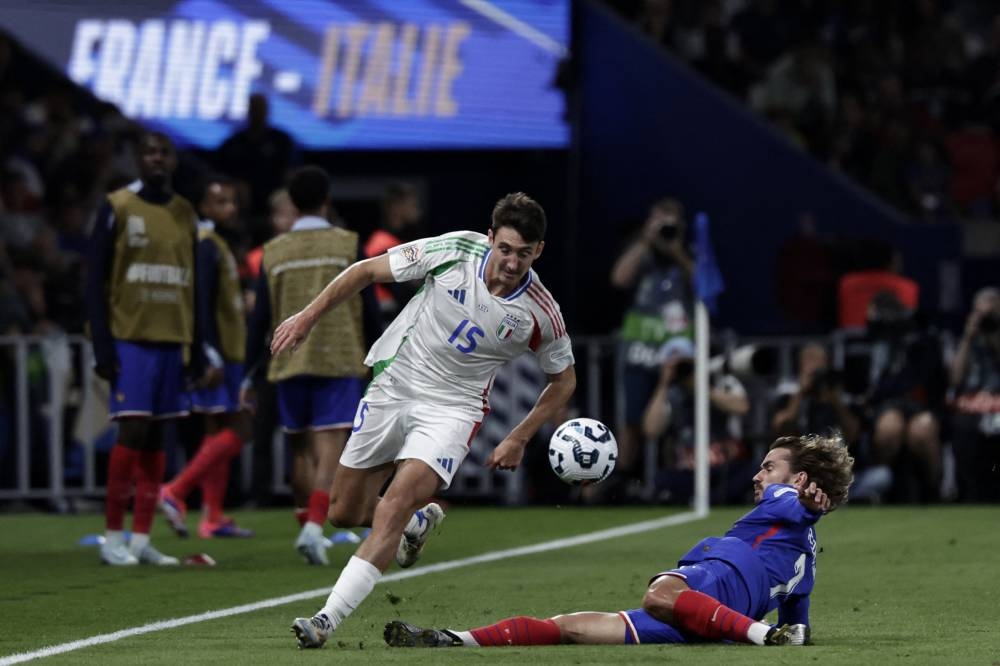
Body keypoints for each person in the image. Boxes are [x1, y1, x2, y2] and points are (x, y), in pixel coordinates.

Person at [272, 192, 576, 649]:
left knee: (391, 506)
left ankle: (325, 620)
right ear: (491, 238)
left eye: (525, 253)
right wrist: (307, 317)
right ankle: (415, 526)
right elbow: (366, 270)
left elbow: (564, 381)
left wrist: (518, 437)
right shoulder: (455, 249)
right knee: (343, 514)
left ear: (540, 251)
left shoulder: (541, 312)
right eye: (506, 249)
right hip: (395, 383)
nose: (512, 263)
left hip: (453, 409)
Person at [383, 433, 854, 649]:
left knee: (660, 594)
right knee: (573, 627)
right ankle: (455, 640)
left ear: (798, 478)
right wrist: (788, 631)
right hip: (718, 616)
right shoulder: (806, 565)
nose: (758, 475)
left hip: (718, 579)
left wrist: (808, 503)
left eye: (768, 466)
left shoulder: (781, 499)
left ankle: (757, 635)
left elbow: (794, 505)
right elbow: (800, 630)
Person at [241, 166, 379, 564]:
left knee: (299, 448)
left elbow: (260, 317)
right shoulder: (347, 243)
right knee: (329, 448)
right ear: (326, 200)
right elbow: (368, 307)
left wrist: (251, 370)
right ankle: (314, 528)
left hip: (287, 359)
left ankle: (307, 525)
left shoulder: (274, 251)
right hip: (337, 356)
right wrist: (377, 351)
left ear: (294, 202)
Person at [84, 131, 209, 566]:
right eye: (149, 152)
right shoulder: (117, 206)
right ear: (137, 159)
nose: (157, 159)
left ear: (173, 160)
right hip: (130, 339)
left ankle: (140, 540)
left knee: (158, 439)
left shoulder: (184, 212)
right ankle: (113, 537)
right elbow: (93, 278)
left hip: (173, 339)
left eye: (164, 153)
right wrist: (102, 344)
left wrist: (198, 345)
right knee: (132, 432)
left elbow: (194, 283)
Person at [159, 175, 253, 539]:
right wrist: (208, 352)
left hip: (228, 349)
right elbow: (198, 300)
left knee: (217, 432)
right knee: (242, 428)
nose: (230, 208)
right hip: (221, 353)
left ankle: (212, 517)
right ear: (203, 207)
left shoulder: (216, 243)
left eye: (231, 201)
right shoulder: (204, 244)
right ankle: (176, 490)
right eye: (221, 202)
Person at [609, 197, 694, 496]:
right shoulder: (642, 252)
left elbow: (703, 283)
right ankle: (621, 482)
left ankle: (669, 483)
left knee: (675, 419)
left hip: (676, 352)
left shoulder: (688, 252)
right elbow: (619, 279)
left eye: (669, 222)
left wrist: (677, 250)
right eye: (659, 221)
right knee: (631, 420)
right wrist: (647, 240)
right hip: (638, 352)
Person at [641, 338, 753, 505]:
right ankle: (704, 498)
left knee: (751, 472)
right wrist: (663, 384)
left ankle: (713, 498)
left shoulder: (721, 381)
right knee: (662, 480)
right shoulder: (671, 395)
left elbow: (742, 406)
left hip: (725, 469)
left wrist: (703, 388)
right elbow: (650, 429)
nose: (685, 370)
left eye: (688, 364)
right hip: (688, 472)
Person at [948, 286, 1000, 501]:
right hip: (972, 402)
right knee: (962, 427)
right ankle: (969, 495)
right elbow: (954, 380)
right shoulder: (966, 337)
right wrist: (969, 337)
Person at [363, 181, 423, 318]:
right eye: (413, 205)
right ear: (397, 207)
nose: (418, 211)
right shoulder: (381, 244)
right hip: (384, 320)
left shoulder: (397, 243)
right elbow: (406, 293)